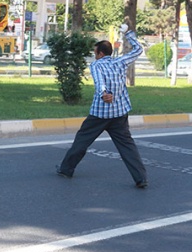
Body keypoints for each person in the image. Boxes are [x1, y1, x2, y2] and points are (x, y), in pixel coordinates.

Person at [55, 24, 148, 189]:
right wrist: (128, 33)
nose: (94, 55)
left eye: (95, 52)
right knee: (127, 146)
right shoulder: (120, 61)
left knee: (82, 140)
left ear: (100, 53)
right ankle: (140, 178)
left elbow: (99, 82)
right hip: (119, 114)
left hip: (100, 114)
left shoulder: (96, 65)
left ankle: (66, 169)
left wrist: (104, 93)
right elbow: (138, 49)